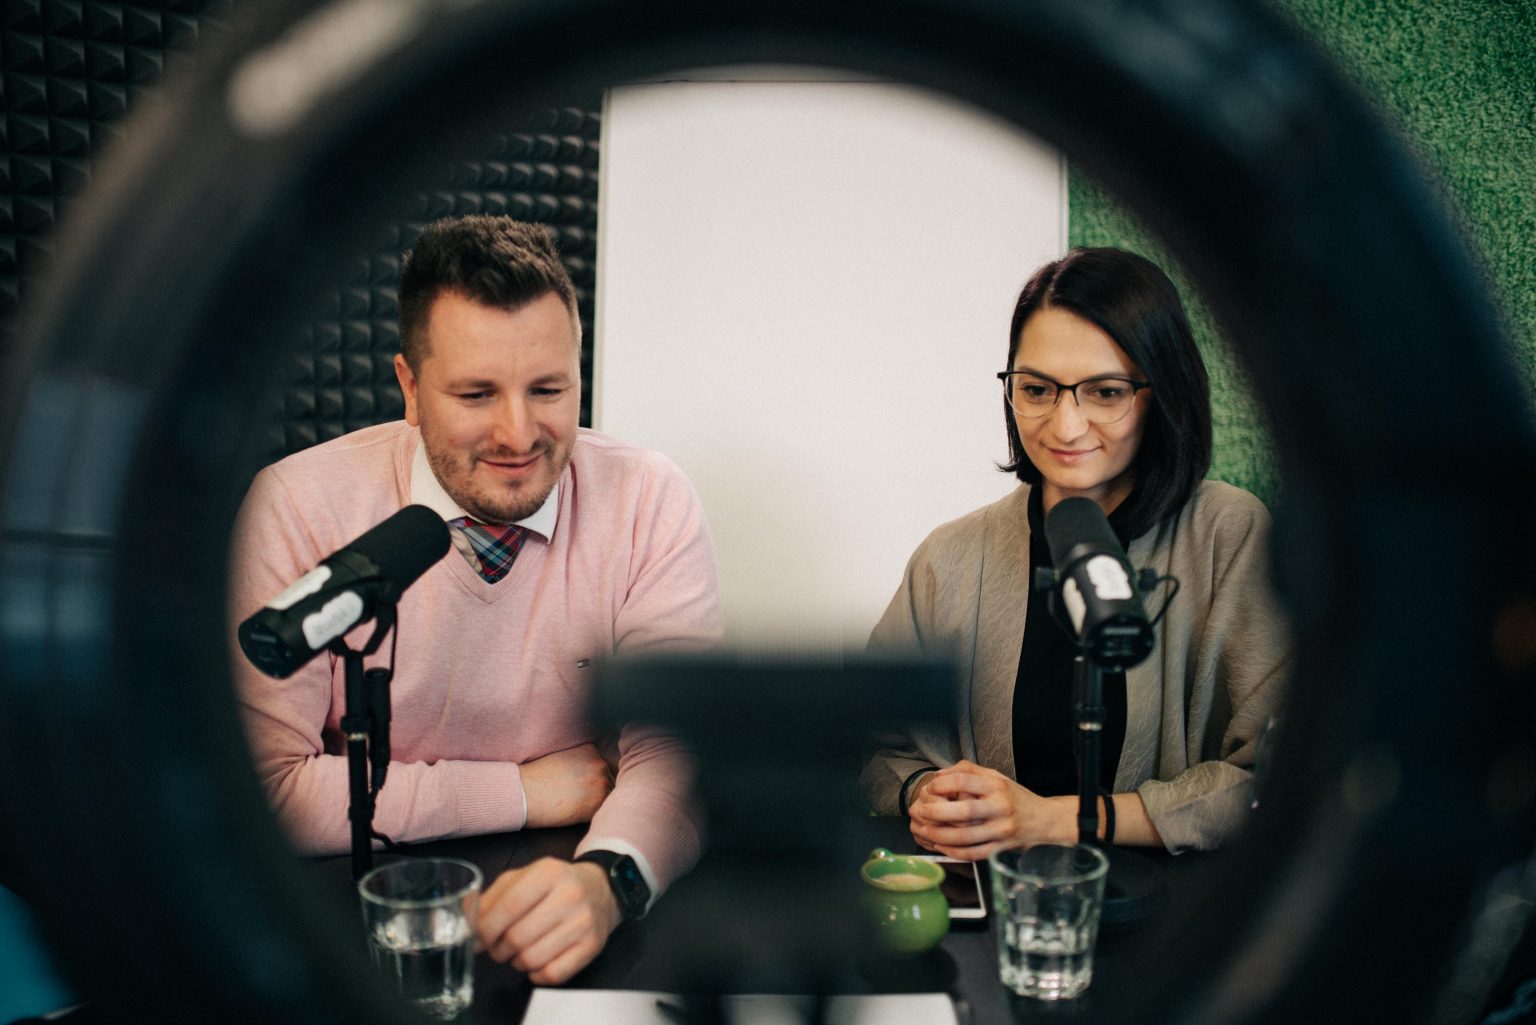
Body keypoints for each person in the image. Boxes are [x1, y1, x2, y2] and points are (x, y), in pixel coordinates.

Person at [230, 216, 724, 984]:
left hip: (579, 894)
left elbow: (677, 751)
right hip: (367, 925)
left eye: (549, 388)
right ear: (411, 388)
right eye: (476, 393)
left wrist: (610, 879)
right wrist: (522, 790)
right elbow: (269, 788)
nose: (518, 432)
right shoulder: (297, 504)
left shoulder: (648, 497)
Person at [860, 247, 1288, 857]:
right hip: (999, 909)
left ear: (1163, 393)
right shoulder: (948, 558)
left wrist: (1052, 820)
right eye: (1036, 389)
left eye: (1106, 392)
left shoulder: (1231, 535)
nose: (1064, 427)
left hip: (1179, 915)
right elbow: (882, 747)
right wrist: (924, 793)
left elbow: (1274, 774)